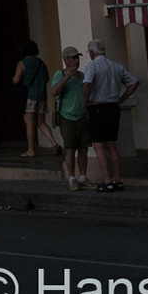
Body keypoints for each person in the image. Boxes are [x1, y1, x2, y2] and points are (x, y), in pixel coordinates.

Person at [81, 38, 139, 192]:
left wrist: (85, 102)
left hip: (97, 107)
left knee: (98, 145)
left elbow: (87, 84)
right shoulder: (116, 66)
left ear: (92, 52)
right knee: (112, 145)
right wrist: (121, 98)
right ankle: (117, 178)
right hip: (113, 107)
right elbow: (134, 82)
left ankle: (107, 180)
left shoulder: (92, 66)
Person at [49, 47, 90, 190]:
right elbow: (53, 92)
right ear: (66, 60)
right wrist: (66, 77)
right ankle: (72, 178)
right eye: (72, 58)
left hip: (83, 116)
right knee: (70, 149)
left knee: (84, 149)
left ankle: (83, 177)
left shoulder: (83, 75)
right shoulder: (59, 74)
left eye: (77, 58)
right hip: (67, 116)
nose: (76, 60)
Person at [12, 39, 59, 158]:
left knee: (30, 124)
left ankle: (31, 150)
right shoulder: (41, 63)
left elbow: (16, 80)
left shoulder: (22, 63)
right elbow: (46, 78)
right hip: (41, 96)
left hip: (28, 96)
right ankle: (53, 142)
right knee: (41, 122)